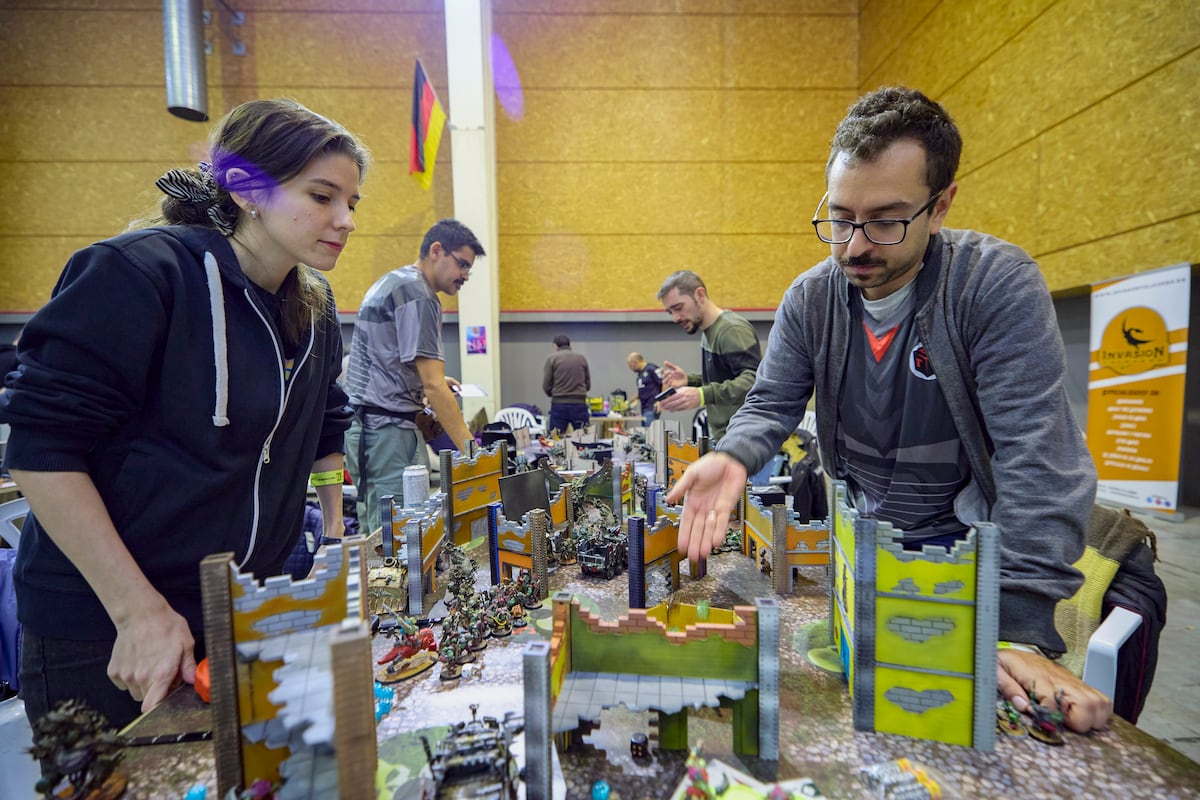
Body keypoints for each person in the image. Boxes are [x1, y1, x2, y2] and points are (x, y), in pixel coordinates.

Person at [668, 86, 1113, 734]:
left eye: (885, 221)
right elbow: (771, 399)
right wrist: (734, 455)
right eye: (840, 218)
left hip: (968, 559)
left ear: (941, 206)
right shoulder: (811, 299)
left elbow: (1038, 460)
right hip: (867, 547)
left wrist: (1014, 628)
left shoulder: (992, 286)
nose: (854, 246)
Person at [0, 98, 369, 728]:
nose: (346, 220)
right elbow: (42, 449)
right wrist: (136, 611)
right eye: (321, 196)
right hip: (109, 625)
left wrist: (335, 534)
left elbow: (325, 427)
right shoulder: (139, 273)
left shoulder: (315, 307)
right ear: (246, 189)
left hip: (237, 606)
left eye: (352, 203)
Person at [343, 219, 484, 527]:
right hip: (386, 434)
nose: (465, 275)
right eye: (462, 264)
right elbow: (434, 387)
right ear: (436, 250)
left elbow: (387, 360)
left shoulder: (396, 281)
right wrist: (474, 455)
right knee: (397, 537)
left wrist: (429, 385)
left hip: (371, 430)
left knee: (380, 529)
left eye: (469, 269)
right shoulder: (419, 295)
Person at [656, 271, 762, 442]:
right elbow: (725, 378)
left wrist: (702, 394)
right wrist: (690, 380)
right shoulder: (709, 331)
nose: (675, 318)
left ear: (700, 294)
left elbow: (754, 380)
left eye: (679, 308)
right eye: (670, 312)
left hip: (744, 439)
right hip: (727, 437)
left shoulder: (731, 330)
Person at [542, 335, 591, 435]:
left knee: (556, 439)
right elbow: (588, 384)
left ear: (555, 345)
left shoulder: (552, 359)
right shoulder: (581, 359)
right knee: (584, 438)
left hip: (559, 405)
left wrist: (554, 394)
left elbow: (546, 384)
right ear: (569, 344)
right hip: (579, 404)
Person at [626, 351, 662, 425]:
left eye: (631, 366)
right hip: (644, 408)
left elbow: (664, 382)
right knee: (645, 430)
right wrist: (629, 401)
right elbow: (643, 390)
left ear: (636, 362)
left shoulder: (652, 369)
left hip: (652, 407)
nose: (630, 369)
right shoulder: (640, 373)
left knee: (650, 430)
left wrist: (661, 401)